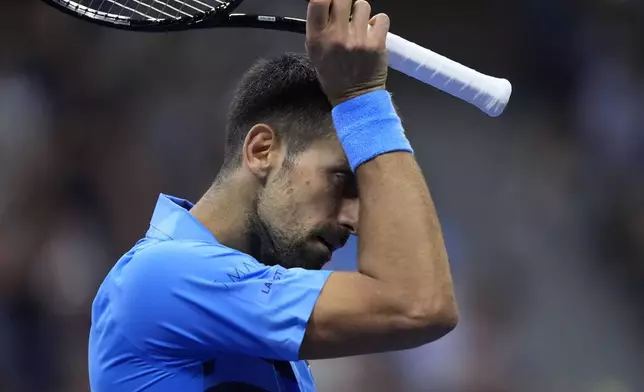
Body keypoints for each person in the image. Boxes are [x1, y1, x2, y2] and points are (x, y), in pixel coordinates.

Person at [88, 0, 459, 390]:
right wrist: (362, 98)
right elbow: (418, 305)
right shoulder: (162, 276)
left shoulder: (269, 330)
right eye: (341, 180)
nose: (355, 222)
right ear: (262, 151)